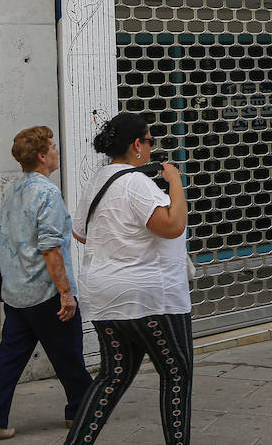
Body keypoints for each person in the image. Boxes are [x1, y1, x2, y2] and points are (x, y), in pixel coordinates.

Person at [65, 113, 192, 445]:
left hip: (104, 296)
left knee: (112, 376)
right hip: (151, 296)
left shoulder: (99, 180)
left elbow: (81, 233)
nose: (150, 149)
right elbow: (171, 225)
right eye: (149, 142)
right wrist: (175, 180)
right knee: (176, 374)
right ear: (137, 144)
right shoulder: (136, 182)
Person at [0, 126, 92, 441]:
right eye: (52, 146)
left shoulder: (14, 188)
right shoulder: (48, 193)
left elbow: (0, 234)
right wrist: (66, 294)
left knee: (9, 360)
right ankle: (82, 409)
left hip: (16, 293)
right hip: (45, 292)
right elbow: (50, 248)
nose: (56, 150)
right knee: (69, 354)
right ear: (42, 156)